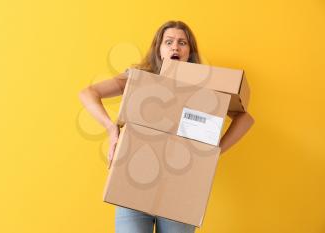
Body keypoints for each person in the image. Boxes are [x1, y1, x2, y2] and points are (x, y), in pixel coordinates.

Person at [79, 20, 254, 233]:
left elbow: (245, 118)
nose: (175, 47)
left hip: (179, 193)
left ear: (189, 52)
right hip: (133, 185)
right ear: (159, 49)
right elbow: (88, 93)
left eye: (182, 43)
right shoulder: (138, 78)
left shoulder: (204, 86)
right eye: (168, 42)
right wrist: (111, 129)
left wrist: (213, 152)